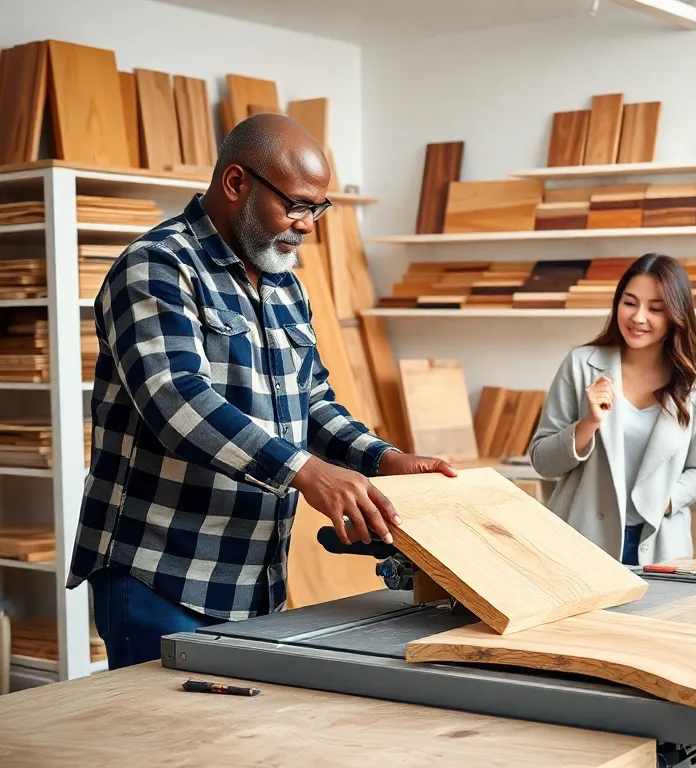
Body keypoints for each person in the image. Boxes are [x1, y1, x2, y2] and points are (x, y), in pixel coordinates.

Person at [66, 114, 454, 670]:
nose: (308, 226)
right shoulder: (156, 266)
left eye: (318, 209)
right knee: (164, 750)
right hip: (162, 571)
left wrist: (385, 459)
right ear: (235, 183)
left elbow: (312, 400)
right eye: (296, 205)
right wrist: (307, 472)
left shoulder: (282, 282)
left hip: (254, 575)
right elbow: (176, 400)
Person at [529, 254, 696, 565]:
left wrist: (667, 500)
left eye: (655, 308)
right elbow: (542, 461)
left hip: (659, 541)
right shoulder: (581, 364)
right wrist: (589, 423)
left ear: (676, 314)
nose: (638, 317)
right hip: (581, 538)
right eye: (630, 303)